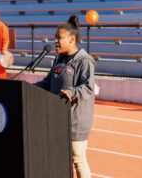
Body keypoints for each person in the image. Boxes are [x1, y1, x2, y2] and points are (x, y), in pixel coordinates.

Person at [35, 16, 95, 178]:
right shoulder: (59, 58)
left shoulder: (84, 61)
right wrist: (28, 88)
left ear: (72, 39)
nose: (55, 41)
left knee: (78, 160)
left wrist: (72, 92)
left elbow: (88, 87)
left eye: (59, 38)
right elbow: (48, 82)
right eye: (55, 38)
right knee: (59, 159)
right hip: (58, 118)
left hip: (76, 120)